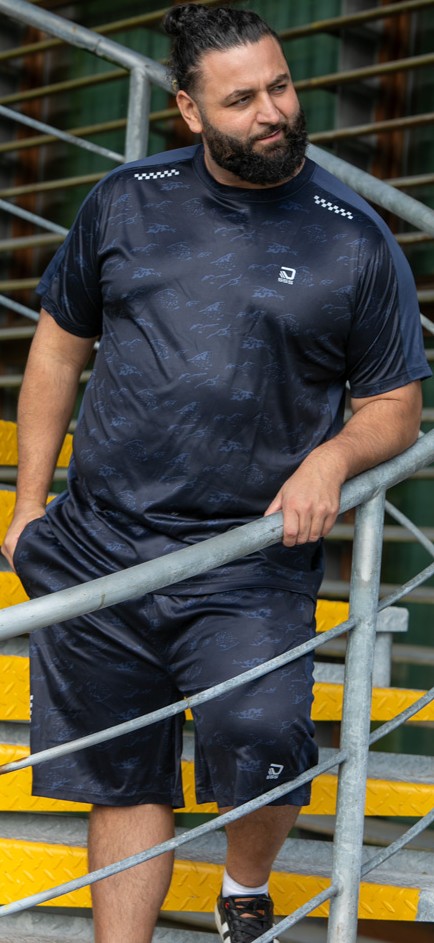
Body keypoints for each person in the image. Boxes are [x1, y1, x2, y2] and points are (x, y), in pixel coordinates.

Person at [1, 4, 431, 942]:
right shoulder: (125, 200)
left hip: (248, 558)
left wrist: (333, 456)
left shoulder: (354, 238)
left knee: (263, 736)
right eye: (242, 99)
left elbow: (397, 405)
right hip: (102, 546)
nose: (273, 111)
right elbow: (59, 346)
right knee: (121, 776)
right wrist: (29, 504)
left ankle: (243, 885)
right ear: (190, 111)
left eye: (281, 86)